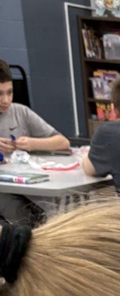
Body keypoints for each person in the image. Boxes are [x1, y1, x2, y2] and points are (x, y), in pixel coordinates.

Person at [0, 59, 70, 226]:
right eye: (0, 94)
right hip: (3, 190)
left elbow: (63, 142)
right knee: (19, 212)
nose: (6, 100)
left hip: (27, 185)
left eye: (10, 92)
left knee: (50, 213)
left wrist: (33, 143)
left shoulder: (20, 112)